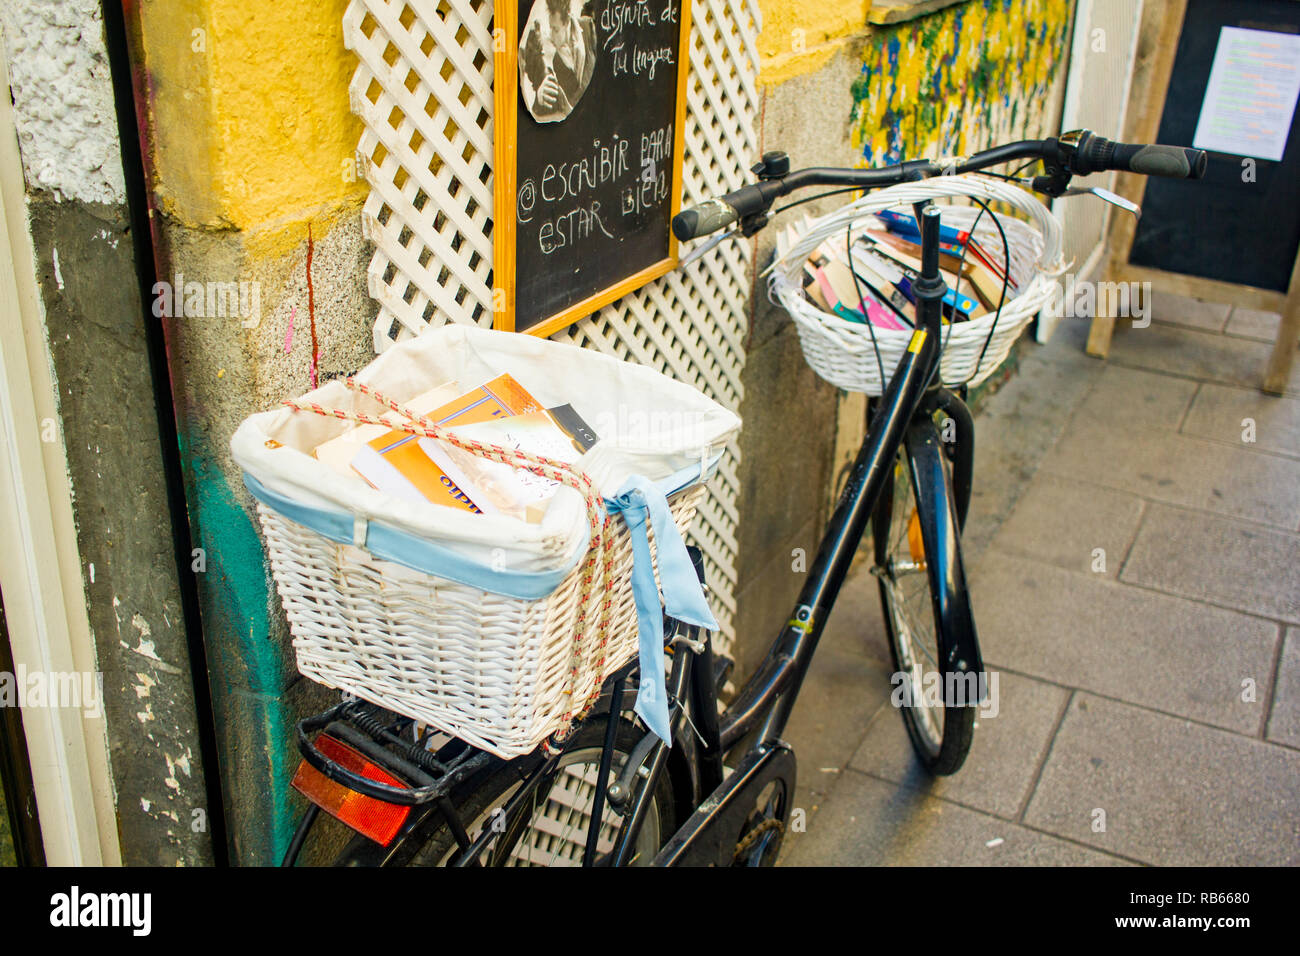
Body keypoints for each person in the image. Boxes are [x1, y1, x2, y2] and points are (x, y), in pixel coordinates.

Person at [519, 0, 596, 123]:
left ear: (567, 23)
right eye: (550, 28)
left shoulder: (588, 28)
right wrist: (539, 96)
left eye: (555, 29)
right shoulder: (555, 62)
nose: (552, 36)